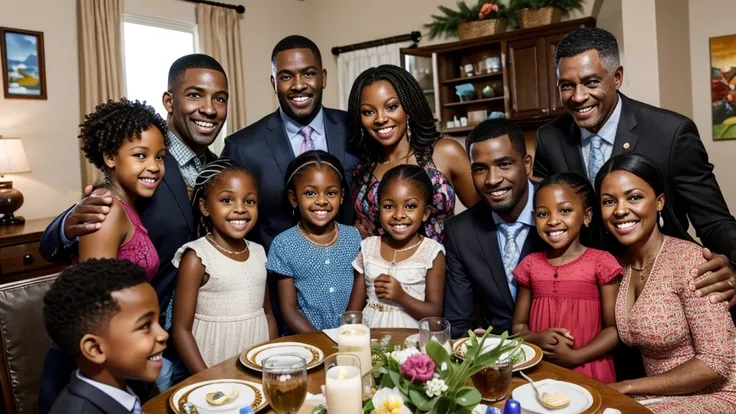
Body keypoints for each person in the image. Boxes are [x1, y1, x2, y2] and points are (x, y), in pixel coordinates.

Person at [534, 27, 736, 305]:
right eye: (566, 85)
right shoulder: (549, 138)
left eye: (591, 82)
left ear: (617, 77)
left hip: (663, 286)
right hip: (590, 294)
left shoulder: (671, 132)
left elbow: (714, 221)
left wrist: (733, 268)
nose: (578, 97)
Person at [38, 53, 229, 321]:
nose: (209, 109)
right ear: (169, 101)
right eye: (195, 95)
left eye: (219, 99)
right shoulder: (139, 166)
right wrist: (68, 225)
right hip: (139, 327)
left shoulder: (220, 169)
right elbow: (63, 239)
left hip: (201, 325)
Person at [596, 154, 736, 413]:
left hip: (719, 395)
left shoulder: (690, 261)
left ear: (659, 202)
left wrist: (627, 386)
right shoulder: (615, 267)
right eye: (609, 201)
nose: (620, 210)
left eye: (634, 197)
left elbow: (715, 363)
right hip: (657, 395)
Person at [222, 35, 358, 251]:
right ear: (273, 83)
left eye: (308, 74)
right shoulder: (242, 147)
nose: (298, 85)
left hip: (351, 272)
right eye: (286, 77)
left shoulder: (355, 129)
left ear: (323, 78)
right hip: (274, 277)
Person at [349, 64, 479, 242]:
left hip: (444, 267)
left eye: (391, 107)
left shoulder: (445, 153)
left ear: (408, 107)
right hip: (381, 268)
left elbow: (483, 218)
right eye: (368, 112)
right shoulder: (362, 167)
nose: (380, 119)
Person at [512, 173, 620, 384]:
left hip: (591, 370)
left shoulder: (601, 263)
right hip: (540, 370)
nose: (553, 220)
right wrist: (537, 338)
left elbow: (613, 330)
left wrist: (574, 357)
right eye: (543, 214)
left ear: (587, 216)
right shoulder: (530, 265)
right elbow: (517, 329)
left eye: (565, 211)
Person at [172, 159, 277, 374]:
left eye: (249, 201)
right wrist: (205, 377)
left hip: (256, 358)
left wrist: (269, 358)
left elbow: (267, 313)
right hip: (213, 363)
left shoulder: (259, 252)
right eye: (227, 200)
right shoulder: (197, 257)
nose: (240, 209)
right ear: (205, 207)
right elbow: (181, 329)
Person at [444, 119, 547, 339]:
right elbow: (458, 323)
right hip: (494, 357)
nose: (492, 180)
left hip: (563, 352)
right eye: (480, 169)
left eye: (504, 164)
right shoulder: (460, 232)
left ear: (527, 164)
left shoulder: (561, 213)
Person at [44, 259, 168, 414]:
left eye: (159, 321)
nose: (164, 334)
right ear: (95, 349)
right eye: (145, 326)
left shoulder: (118, 387)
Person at [266, 151, 361, 332]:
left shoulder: (354, 237)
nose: (322, 201)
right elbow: (288, 310)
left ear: (341, 196)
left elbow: (360, 292)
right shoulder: (284, 244)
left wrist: (347, 333)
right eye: (310, 193)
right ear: (294, 199)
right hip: (307, 341)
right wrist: (321, 343)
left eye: (331, 193)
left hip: (351, 334)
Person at [73, 98, 167, 276]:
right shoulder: (107, 211)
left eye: (160, 157)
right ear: (110, 157)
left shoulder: (130, 205)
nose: (154, 166)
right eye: (140, 155)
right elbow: (94, 296)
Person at [347, 165, 446, 328]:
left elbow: (435, 315)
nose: (399, 215)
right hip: (370, 341)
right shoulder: (368, 248)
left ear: (425, 213)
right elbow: (353, 311)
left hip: (412, 343)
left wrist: (400, 296)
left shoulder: (432, 254)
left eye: (410, 206)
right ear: (379, 210)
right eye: (389, 206)